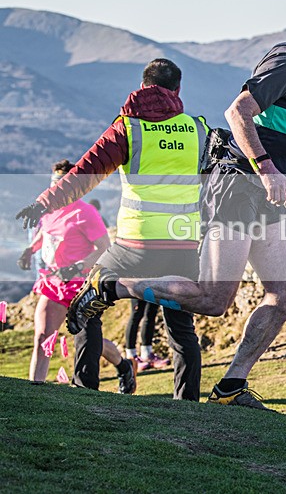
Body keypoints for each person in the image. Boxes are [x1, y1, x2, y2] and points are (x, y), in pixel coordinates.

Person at [63, 0, 286, 410]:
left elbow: (268, 126)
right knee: (214, 300)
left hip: (262, 190)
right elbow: (238, 112)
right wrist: (269, 169)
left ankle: (231, 385)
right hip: (237, 186)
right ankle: (110, 285)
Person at [16, 58, 207, 400]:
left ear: (144, 85)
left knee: (85, 306)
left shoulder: (128, 128)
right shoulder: (198, 129)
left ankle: (86, 391)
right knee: (181, 328)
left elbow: (84, 173)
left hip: (135, 245)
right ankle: (187, 405)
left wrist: (43, 203)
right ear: (178, 90)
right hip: (183, 244)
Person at [18, 160, 136, 393]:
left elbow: (105, 248)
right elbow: (45, 232)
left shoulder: (86, 213)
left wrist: (76, 267)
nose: (55, 190)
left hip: (81, 287)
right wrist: (30, 250)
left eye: (60, 185)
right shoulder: (49, 210)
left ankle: (123, 366)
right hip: (53, 284)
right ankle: (34, 394)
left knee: (88, 343)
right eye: (53, 185)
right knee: (43, 337)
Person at [125, 300, 171, 371]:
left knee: (151, 313)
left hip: (153, 288)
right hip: (135, 289)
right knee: (136, 313)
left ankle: (147, 355)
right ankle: (131, 357)